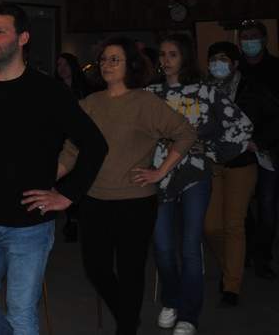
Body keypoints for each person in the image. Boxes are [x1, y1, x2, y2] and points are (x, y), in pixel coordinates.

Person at [0, 3, 108, 335]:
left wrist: (67, 194)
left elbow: (95, 144)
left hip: (30, 225)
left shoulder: (49, 92)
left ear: (23, 38)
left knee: (20, 311)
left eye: (0, 31)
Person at [59, 35, 197, 335]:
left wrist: (160, 172)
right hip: (94, 199)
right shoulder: (90, 103)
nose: (106, 65)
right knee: (96, 268)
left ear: (131, 65)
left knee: (130, 270)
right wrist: (50, 177)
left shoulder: (144, 102)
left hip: (135, 201)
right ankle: (128, 316)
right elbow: (71, 150)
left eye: (115, 59)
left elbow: (185, 133)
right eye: (104, 60)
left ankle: (126, 328)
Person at [146, 34, 252, 335]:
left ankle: (189, 315)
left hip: (195, 174)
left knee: (190, 246)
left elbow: (241, 125)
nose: (166, 60)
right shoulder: (150, 93)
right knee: (162, 246)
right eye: (162, 54)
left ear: (185, 58)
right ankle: (171, 299)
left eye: (173, 54)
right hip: (159, 176)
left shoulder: (205, 91)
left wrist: (213, 150)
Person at [205, 41, 279, 305]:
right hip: (212, 162)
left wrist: (258, 141)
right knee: (211, 226)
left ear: (235, 64)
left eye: (223, 59)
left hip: (242, 163)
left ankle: (231, 285)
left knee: (234, 224)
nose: (217, 64)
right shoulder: (203, 90)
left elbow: (275, 117)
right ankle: (230, 265)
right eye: (213, 59)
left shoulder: (252, 88)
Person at [237, 20, 279, 280]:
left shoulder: (276, 69)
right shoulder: (235, 70)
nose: (249, 41)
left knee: (267, 202)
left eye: (253, 37)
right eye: (245, 37)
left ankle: (263, 255)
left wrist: (261, 142)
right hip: (239, 148)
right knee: (240, 205)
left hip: (269, 147)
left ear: (264, 39)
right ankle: (248, 248)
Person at [54, 52, 87, 242]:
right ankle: (71, 219)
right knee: (65, 180)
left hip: (82, 139)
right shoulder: (54, 89)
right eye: (59, 65)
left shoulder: (86, 89)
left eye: (65, 64)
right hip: (62, 141)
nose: (62, 68)